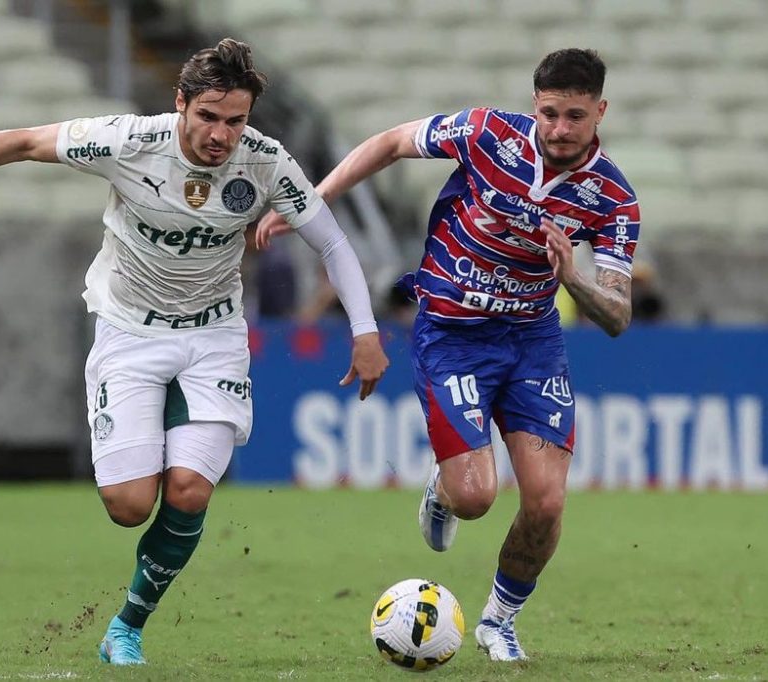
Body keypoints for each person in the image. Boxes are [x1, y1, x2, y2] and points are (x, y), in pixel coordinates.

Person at [0, 38, 389, 666]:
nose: (222, 135)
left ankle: (126, 628)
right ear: (180, 103)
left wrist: (364, 331)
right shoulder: (128, 141)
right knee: (129, 506)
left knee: (189, 490)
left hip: (212, 339)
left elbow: (332, 243)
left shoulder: (266, 163)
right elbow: (25, 141)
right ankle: (164, 418)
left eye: (236, 120)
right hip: (130, 332)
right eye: (209, 117)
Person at [257, 48, 639, 662]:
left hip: (532, 343)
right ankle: (444, 488)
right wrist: (313, 201)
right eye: (549, 113)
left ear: (601, 111)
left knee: (546, 502)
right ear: (534, 105)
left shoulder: (613, 197)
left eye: (575, 116)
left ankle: (498, 622)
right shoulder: (487, 132)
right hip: (453, 333)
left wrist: (574, 278)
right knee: (475, 498)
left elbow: (617, 315)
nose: (560, 129)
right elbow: (389, 143)